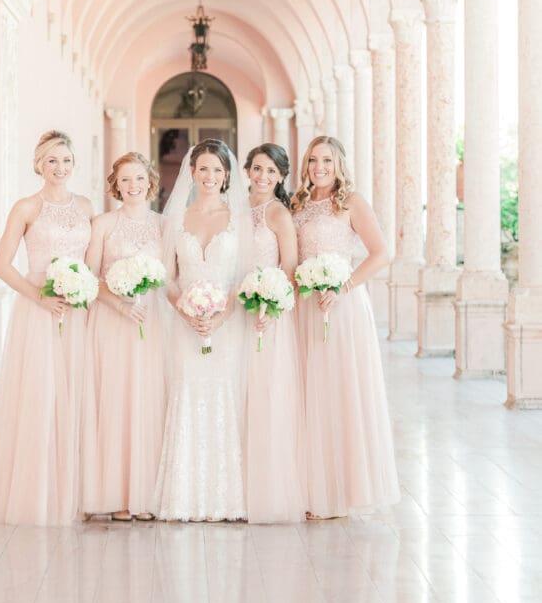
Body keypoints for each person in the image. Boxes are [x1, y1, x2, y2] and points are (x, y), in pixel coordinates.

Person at [0, 130, 93, 525]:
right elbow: (1, 264)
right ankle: (37, 494)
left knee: (75, 396)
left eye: (65, 160)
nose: (59, 168)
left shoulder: (85, 205)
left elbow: (90, 260)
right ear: (38, 164)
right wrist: (38, 296)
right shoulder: (26, 207)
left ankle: (74, 492)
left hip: (78, 312)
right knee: (41, 397)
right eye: (51, 161)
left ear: (74, 164)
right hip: (39, 311)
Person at [291, 135, 400, 519]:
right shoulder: (298, 203)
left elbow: (382, 253)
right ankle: (310, 488)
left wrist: (344, 286)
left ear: (339, 165)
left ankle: (336, 492)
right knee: (308, 393)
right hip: (305, 307)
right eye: (313, 161)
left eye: (327, 161)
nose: (319, 168)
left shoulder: (351, 202)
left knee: (337, 392)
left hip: (342, 307)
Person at [153, 139, 251, 522]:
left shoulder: (239, 219)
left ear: (227, 175)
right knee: (188, 395)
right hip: (186, 324)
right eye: (203, 168)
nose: (210, 176)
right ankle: (184, 497)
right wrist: (184, 309)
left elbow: (245, 277)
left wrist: (221, 315)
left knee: (227, 398)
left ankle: (229, 499)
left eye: (217, 169)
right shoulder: (176, 217)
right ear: (191, 172)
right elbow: (167, 278)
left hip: (228, 325)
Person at [80, 152, 166, 521]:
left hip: (151, 321)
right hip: (112, 321)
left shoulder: (164, 225)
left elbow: (171, 276)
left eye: (139, 179)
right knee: (115, 399)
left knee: (147, 399)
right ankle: (115, 494)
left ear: (150, 182)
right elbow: (89, 277)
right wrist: (119, 304)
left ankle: (144, 494)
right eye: (126, 180)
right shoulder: (102, 224)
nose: (133, 186)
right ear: (116, 185)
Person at [243, 144, 306, 523]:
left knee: (266, 397)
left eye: (271, 171)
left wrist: (270, 305)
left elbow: (290, 270)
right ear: (248, 170)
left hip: (268, 315)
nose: (263, 177)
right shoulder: (235, 209)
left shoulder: (279, 215)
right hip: (235, 311)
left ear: (281, 177)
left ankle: (266, 490)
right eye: (258, 169)